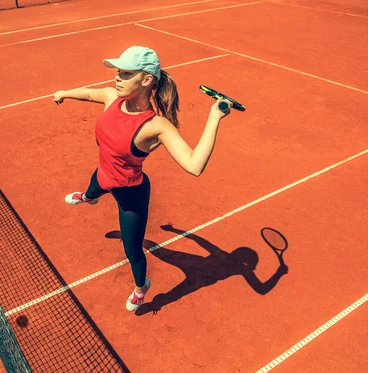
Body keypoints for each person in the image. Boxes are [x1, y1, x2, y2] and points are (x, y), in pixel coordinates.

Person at [53, 46, 233, 311]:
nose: (117, 78)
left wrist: (214, 116)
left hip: (130, 193)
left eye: (126, 73)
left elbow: (195, 165)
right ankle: (89, 198)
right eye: (118, 72)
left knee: (133, 251)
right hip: (103, 175)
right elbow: (90, 92)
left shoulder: (155, 126)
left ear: (147, 79)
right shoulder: (111, 97)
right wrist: (64, 94)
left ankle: (141, 287)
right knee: (92, 190)